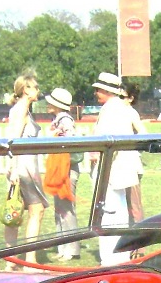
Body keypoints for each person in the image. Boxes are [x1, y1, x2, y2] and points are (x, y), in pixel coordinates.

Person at [91, 72, 141, 266]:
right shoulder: (119, 107)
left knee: (109, 214)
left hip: (111, 171)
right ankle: (118, 256)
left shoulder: (112, 109)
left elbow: (108, 142)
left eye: (98, 89)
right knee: (117, 213)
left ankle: (111, 258)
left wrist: (101, 164)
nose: (96, 93)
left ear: (106, 90)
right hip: (118, 169)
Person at [5, 72, 49, 269]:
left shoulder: (22, 110)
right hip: (24, 166)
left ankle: (12, 260)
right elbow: (14, 139)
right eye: (35, 87)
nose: (38, 90)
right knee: (34, 210)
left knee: (15, 212)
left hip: (24, 165)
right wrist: (13, 168)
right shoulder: (21, 110)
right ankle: (28, 260)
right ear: (26, 90)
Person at [44, 87, 80, 262]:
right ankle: (62, 245)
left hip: (66, 168)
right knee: (59, 208)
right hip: (60, 167)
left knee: (66, 209)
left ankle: (71, 248)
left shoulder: (65, 120)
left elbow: (71, 140)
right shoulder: (58, 119)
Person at [122, 82, 147, 225]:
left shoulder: (130, 112)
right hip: (120, 165)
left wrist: (132, 147)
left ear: (131, 98)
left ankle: (139, 245)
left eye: (122, 97)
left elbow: (143, 133)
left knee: (134, 206)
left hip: (130, 165)